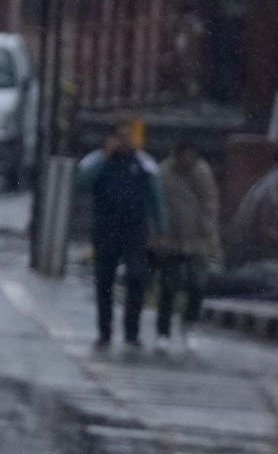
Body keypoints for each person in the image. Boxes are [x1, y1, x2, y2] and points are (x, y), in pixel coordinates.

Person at [75, 121, 168, 349]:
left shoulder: (144, 163)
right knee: (104, 282)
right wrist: (106, 156)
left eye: (129, 136)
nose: (125, 141)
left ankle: (132, 332)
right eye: (121, 136)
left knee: (137, 278)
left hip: (134, 231)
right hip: (105, 230)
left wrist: (161, 228)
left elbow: (157, 196)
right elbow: (82, 183)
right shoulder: (97, 160)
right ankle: (104, 331)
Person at [152, 142, 221, 350]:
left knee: (198, 284)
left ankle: (189, 325)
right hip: (170, 239)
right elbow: (158, 204)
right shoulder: (163, 172)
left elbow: (210, 205)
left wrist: (209, 237)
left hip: (197, 240)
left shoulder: (202, 172)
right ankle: (162, 331)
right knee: (168, 287)